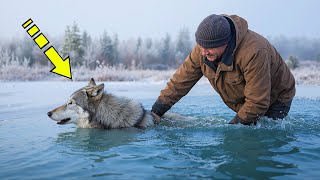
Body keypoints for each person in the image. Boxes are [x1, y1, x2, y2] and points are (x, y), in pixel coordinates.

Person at [151, 14, 296, 125]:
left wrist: (233, 128)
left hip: (276, 97)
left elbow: (257, 101)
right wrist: (157, 111)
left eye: (209, 48)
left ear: (225, 43)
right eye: (201, 46)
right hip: (245, 99)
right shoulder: (203, 49)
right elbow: (179, 82)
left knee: (261, 138)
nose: (204, 52)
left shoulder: (254, 52)